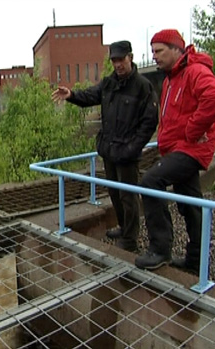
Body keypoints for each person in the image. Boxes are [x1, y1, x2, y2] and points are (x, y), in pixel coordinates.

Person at [52, 40, 158, 253]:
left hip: (127, 154)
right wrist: (71, 95)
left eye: (121, 59)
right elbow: (91, 95)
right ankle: (122, 227)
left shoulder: (142, 87)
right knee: (114, 193)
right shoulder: (109, 83)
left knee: (129, 197)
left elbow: (149, 122)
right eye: (114, 60)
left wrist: (133, 148)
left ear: (131, 57)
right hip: (110, 151)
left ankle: (130, 239)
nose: (118, 64)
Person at [134, 29, 215, 273]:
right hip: (178, 148)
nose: (154, 56)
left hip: (191, 148)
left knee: (151, 180)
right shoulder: (170, 79)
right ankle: (196, 261)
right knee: (191, 204)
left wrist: (192, 130)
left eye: (159, 51)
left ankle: (160, 249)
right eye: (153, 51)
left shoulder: (195, 71)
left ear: (176, 49)